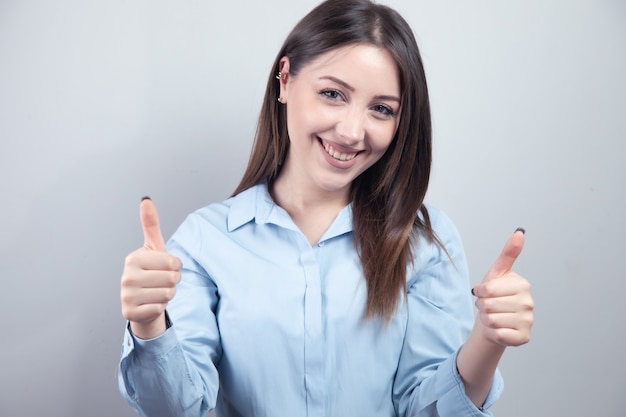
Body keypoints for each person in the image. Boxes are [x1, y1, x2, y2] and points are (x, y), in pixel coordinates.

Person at [118, 0, 534, 416]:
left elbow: (425, 409)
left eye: (381, 109)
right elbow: (175, 408)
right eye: (333, 94)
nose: (352, 132)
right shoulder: (206, 240)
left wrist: (488, 338)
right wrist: (151, 325)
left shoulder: (425, 241)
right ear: (285, 80)